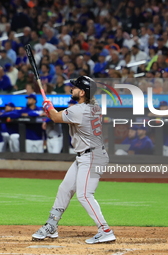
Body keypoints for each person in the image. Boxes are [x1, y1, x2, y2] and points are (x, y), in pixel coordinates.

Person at [35, 76, 116, 244]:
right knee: (65, 189)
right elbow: (62, 115)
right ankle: (52, 225)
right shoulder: (93, 106)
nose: (71, 89)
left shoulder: (79, 110)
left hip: (92, 156)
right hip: (86, 156)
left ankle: (105, 230)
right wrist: (51, 110)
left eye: (75, 87)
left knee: (84, 195)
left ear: (83, 92)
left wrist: (48, 107)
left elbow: (56, 117)